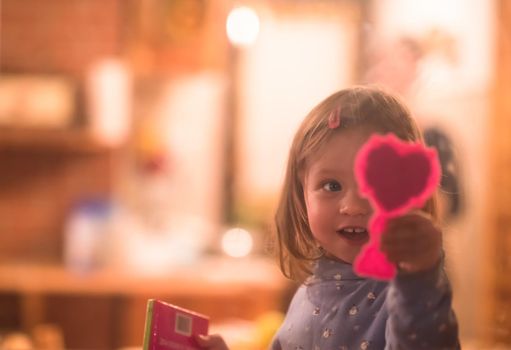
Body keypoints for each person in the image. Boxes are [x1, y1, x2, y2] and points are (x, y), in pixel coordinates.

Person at [196, 86, 460, 349]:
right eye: (332, 186)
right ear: (302, 193)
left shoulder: (411, 296)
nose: (353, 207)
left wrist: (420, 277)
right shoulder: (308, 292)